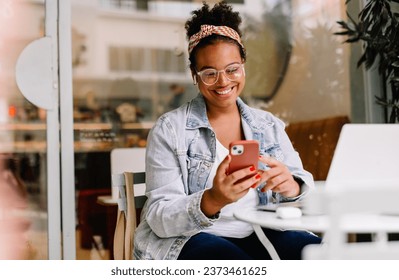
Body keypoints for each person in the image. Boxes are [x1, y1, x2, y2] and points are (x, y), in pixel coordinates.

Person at [133, 1, 321, 260]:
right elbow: (158, 217)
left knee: (318, 255)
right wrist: (212, 199)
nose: (223, 82)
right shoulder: (169, 130)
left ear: (243, 64)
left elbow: (303, 186)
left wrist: (292, 186)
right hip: (192, 239)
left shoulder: (269, 125)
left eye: (232, 69)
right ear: (194, 74)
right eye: (210, 73)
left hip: (263, 230)